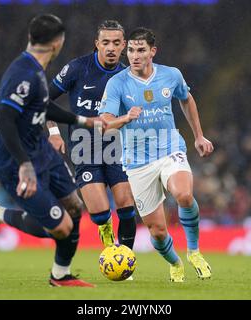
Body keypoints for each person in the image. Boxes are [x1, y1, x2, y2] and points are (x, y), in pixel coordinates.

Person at [0, 14, 98, 287]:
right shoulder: (23, 74)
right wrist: (23, 164)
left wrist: (84, 121)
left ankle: (60, 275)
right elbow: (5, 119)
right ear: (58, 42)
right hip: (14, 159)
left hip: (40, 149)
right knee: (60, 227)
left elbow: (43, 107)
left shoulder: (36, 68)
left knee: (74, 207)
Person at [99, 27, 214, 282]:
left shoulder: (171, 75)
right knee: (158, 232)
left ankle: (194, 251)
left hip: (170, 148)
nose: (134, 55)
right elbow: (105, 122)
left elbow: (186, 99)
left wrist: (198, 135)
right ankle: (175, 263)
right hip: (138, 161)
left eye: (141, 50)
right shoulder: (117, 83)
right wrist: (125, 117)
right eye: (130, 50)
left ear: (153, 51)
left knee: (184, 194)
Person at [47, 21, 137, 253]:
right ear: (97, 44)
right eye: (105, 42)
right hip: (84, 148)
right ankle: (110, 251)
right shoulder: (78, 68)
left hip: (117, 147)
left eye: (116, 43)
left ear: (123, 46)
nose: (110, 48)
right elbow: (44, 100)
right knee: (100, 214)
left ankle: (125, 259)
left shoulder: (128, 77)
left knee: (127, 206)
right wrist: (54, 132)